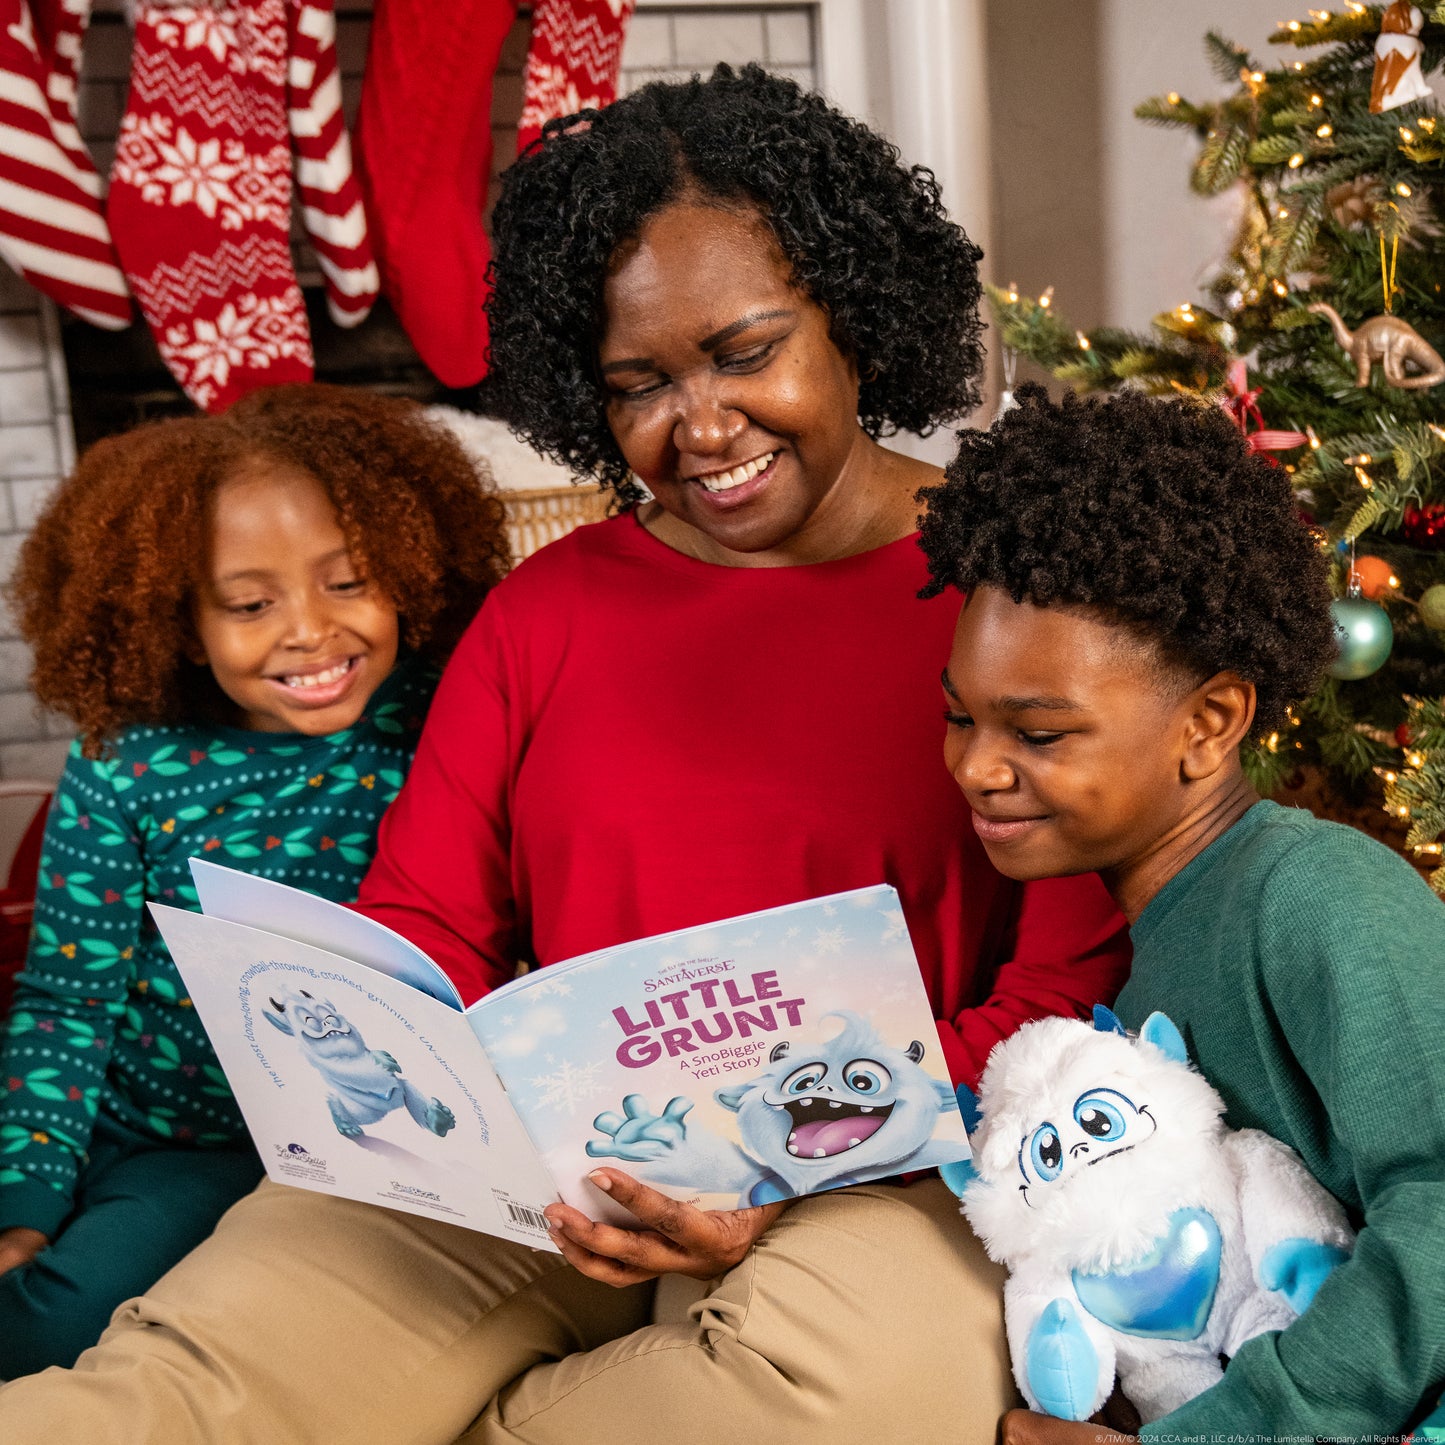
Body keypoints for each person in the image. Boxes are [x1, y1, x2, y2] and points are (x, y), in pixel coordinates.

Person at [0, 67, 1128, 1441]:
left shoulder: (1016, 597)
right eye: (637, 384)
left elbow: (1064, 982)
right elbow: (424, 919)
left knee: (865, 1390)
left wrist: (769, 1162)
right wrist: (384, 1070)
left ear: (852, 316)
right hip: (541, 1164)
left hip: (874, 1171)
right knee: (190, 1367)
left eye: (745, 350)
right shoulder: (545, 611)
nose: (698, 428)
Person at [917, 383, 1445, 1440]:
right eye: (957, 715)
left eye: (1039, 732)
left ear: (1207, 722)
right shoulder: (1147, 955)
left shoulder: (1316, 894)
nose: (976, 765)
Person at [0, 384, 508, 1374]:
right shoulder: (126, 765)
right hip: (178, 1143)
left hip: (387, 1136)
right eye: (250, 602)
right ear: (183, 622)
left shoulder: (448, 717)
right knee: (49, 1326)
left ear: (407, 575)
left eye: (349, 580)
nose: (310, 630)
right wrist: (25, 1200)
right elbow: (67, 1004)